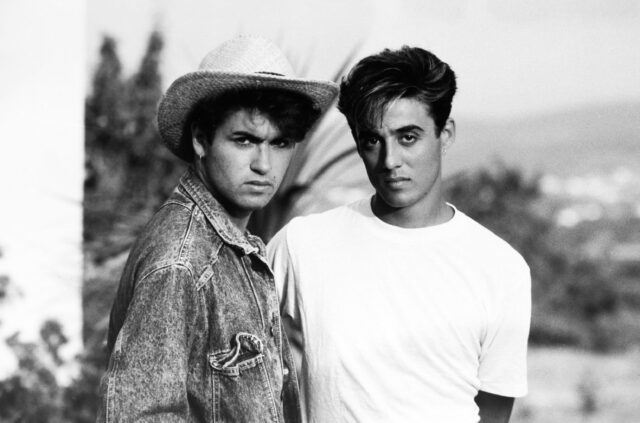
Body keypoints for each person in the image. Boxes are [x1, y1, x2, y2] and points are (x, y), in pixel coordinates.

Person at [268, 46, 531, 423]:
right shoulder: (302, 245)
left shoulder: (502, 269)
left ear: (446, 134)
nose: (390, 161)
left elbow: (492, 414)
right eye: (373, 140)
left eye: (408, 137)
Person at [97, 35, 338, 422]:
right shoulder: (182, 263)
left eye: (280, 143)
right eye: (245, 140)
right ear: (200, 139)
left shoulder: (230, 247)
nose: (264, 164)